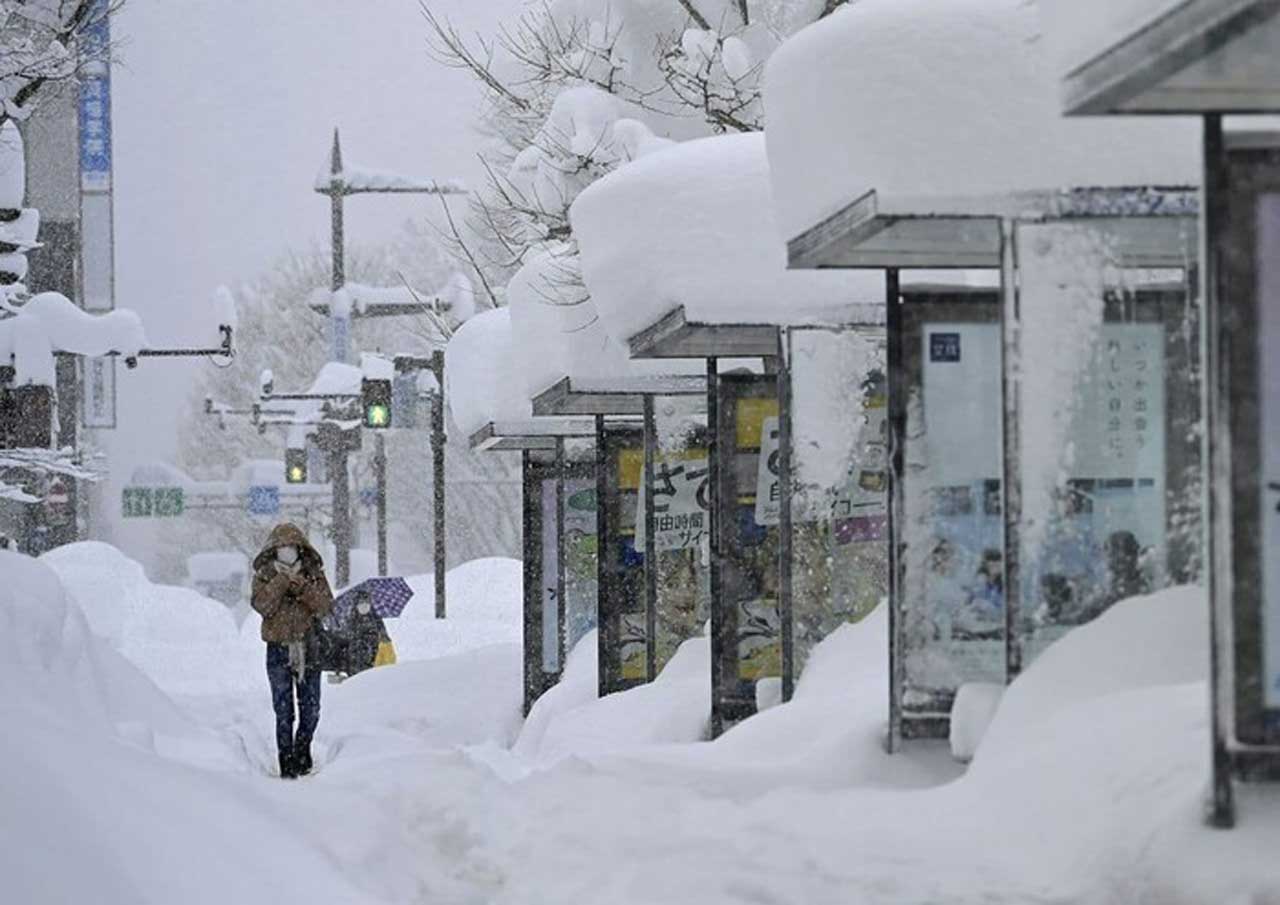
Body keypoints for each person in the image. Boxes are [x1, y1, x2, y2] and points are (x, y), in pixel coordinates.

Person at [250, 523, 333, 779]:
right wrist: (281, 583)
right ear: (274, 550)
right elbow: (262, 605)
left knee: (311, 708)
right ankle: (286, 763)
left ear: (300, 549)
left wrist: (303, 588)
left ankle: (302, 750)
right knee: (283, 709)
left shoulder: (313, 573)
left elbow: (325, 606)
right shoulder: (265, 575)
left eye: (291, 547)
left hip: (309, 648)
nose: (286, 552)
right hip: (278, 650)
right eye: (281, 548)